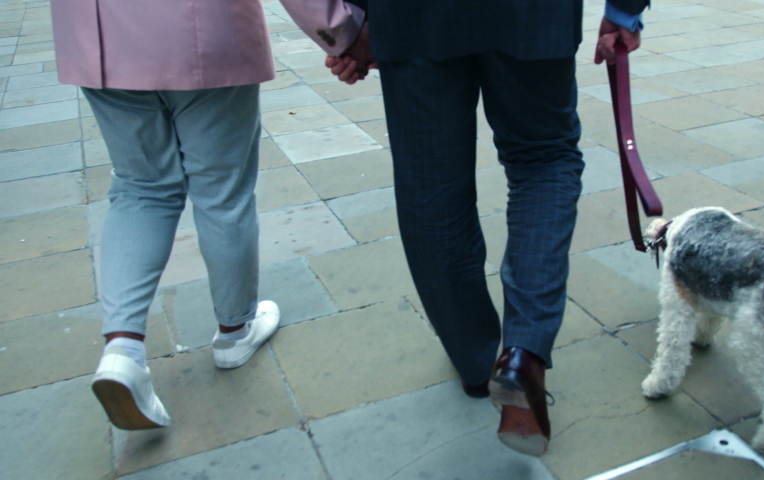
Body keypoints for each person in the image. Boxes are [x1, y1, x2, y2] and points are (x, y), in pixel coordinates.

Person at [289, 0, 648, 456]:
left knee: (431, 184)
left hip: (413, 18)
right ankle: (523, 352)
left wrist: (344, 27)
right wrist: (624, 10)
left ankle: (476, 362)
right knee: (543, 159)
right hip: (533, 14)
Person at [46, 0, 309, 429]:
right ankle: (234, 331)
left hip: (98, 35)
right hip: (205, 26)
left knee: (140, 188)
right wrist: (339, 28)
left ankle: (123, 351)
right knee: (222, 191)